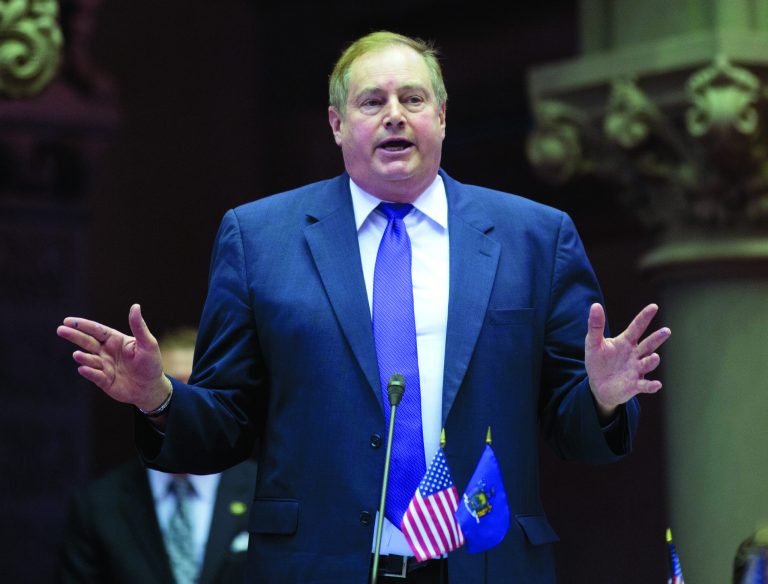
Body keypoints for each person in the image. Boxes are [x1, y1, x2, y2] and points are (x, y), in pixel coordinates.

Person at [57, 31, 671, 583]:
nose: (394, 115)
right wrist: (158, 397)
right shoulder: (260, 239)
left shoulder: (534, 236)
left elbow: (577, 435)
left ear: (442, 116)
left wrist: (601, 397)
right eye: (372, 102)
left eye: (413, 99)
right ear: (336, 123)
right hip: (318, 564)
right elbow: (226, 426)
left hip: (484, 561)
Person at [57, 328, 258, 584]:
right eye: (170, 388)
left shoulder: (262, 491)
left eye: (196, 388)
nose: (183, 403)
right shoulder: (99, 505)